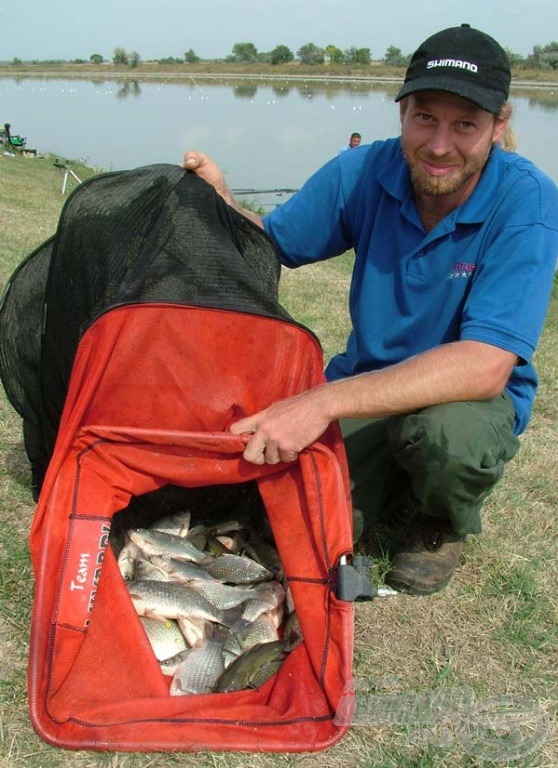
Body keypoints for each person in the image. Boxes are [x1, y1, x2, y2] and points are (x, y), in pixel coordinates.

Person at [182, 24, 558, 596]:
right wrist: (225, 202)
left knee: (444, 439)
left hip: (465, 403)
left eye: (465, 124)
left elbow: (486, 365)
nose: (439, 145)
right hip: (369, 385)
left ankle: (440, 519)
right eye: (426, 118)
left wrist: (318, 404)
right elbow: (273, 244)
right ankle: (387, 478)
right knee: (284, 523)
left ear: (498, 124)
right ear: (401, 110)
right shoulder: (362, 170)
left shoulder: (527, 200)